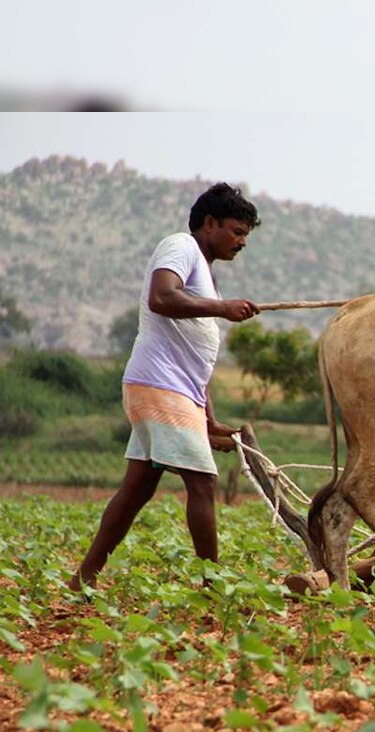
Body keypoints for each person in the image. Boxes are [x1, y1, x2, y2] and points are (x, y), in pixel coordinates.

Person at [69, 183, 261, 590]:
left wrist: (208, 419)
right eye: (236, 231)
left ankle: (82, 580)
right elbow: (162, 298)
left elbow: (194, 357)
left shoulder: (205, 272)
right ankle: (212, 587)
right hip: (159, 385)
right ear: (208, 223)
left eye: (246, 235)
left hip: (173, 388)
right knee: (203, 483)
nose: (242, 242)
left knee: (136, 491)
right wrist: (223, 309)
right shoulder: (181, 246)